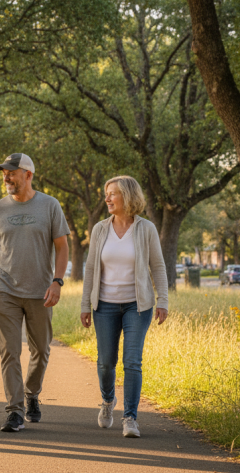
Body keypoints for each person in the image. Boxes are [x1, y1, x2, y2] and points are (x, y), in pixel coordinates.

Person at [0, 153, 70, 432]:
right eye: (3, 172)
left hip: (41, 291)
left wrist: (57, 281)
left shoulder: (50, 205)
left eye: (11, 172)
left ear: (28, 174)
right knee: (9, 351)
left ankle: (31, 394)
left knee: (40, 350)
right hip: (6, 289)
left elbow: (62, 246)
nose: (5, 176)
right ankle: (15, 410)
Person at [80, 175, 168, 438]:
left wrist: (162, 300)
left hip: (137, 306)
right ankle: (108, 402)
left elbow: (158, 266)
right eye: (106, 194)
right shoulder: (99, 229)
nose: (107, 199)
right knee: (106, 362)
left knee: (132, 361)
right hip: (104, 305)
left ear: (128, 197)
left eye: (113, 194)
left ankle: (130, 417)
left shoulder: (146, 229)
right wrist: (86, 304)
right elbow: (91, 269)